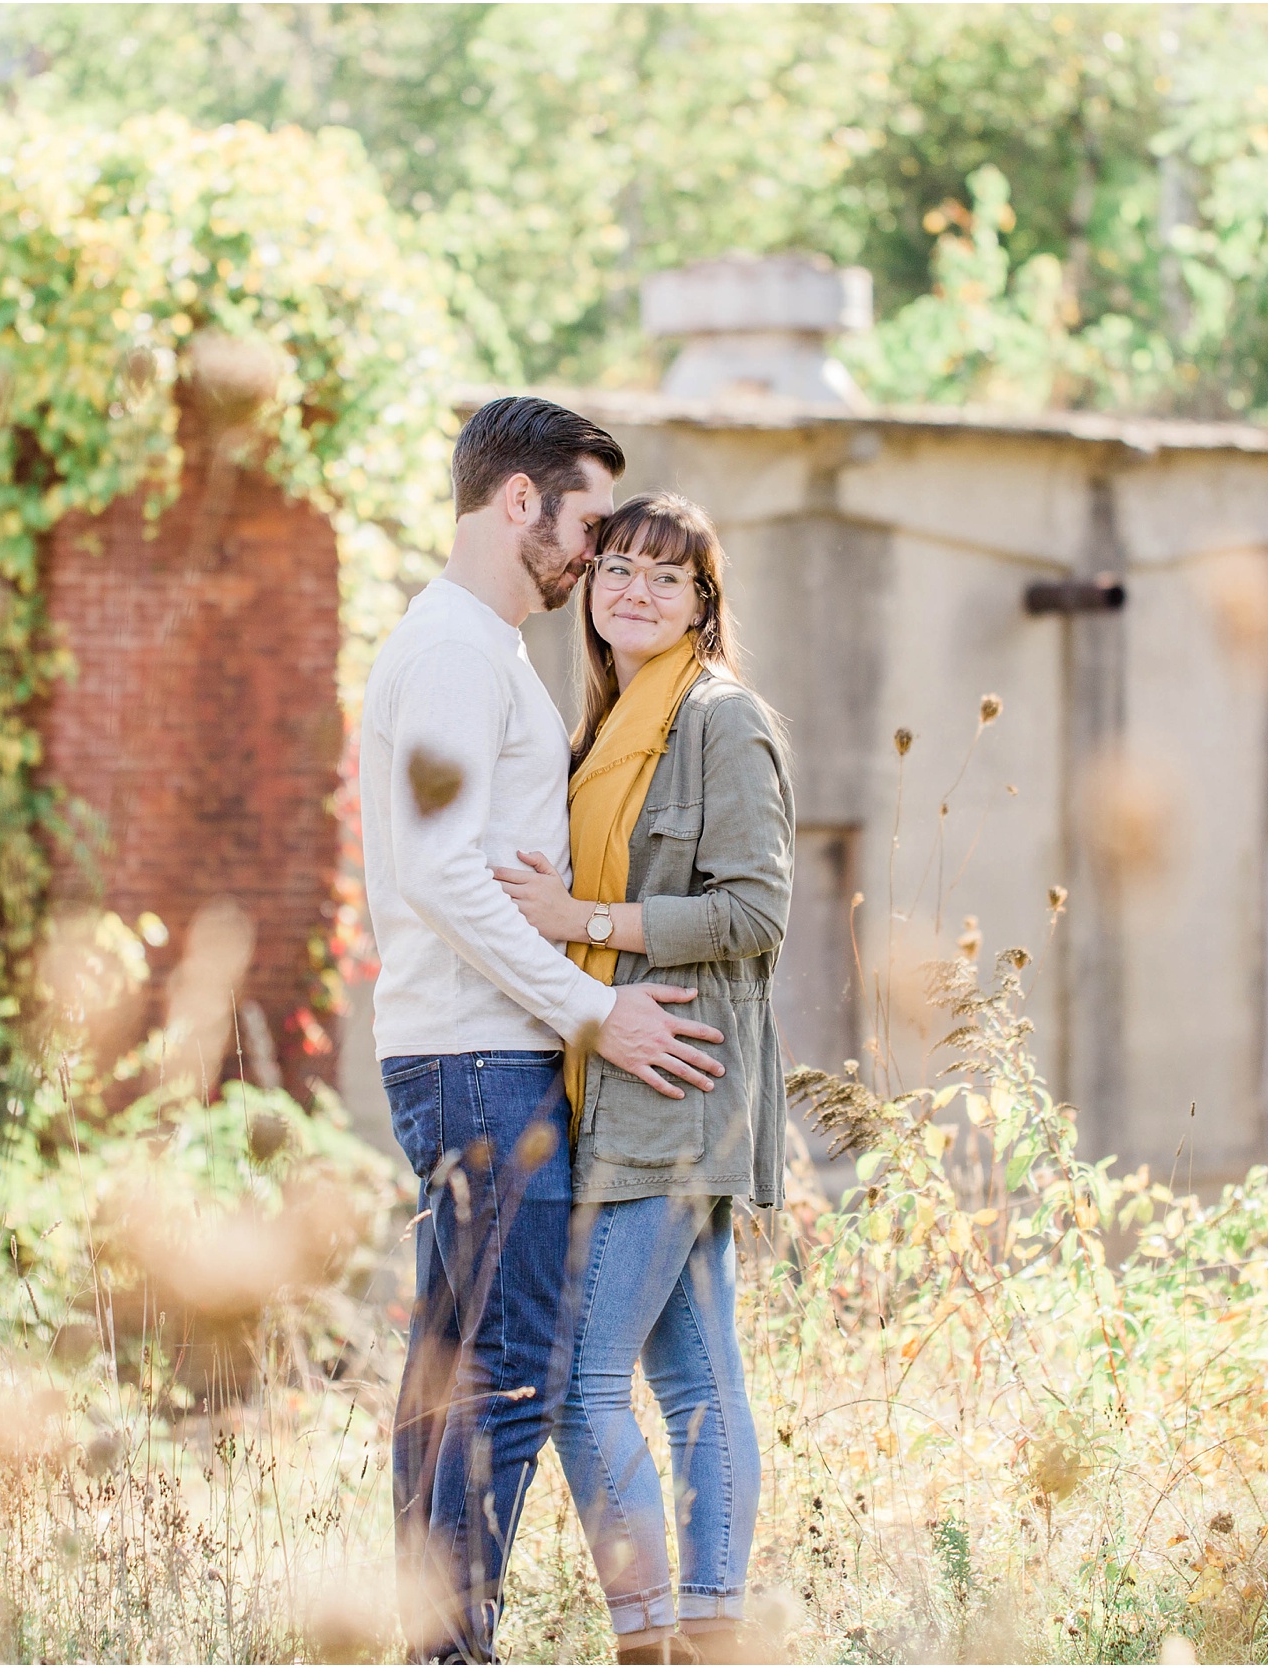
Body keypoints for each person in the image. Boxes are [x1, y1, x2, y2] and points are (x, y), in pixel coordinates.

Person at [360, 398, 729, 1664]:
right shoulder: (461, 653)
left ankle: (429, 1641)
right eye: (583, 525)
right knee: (512, 1369)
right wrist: (597, 1011)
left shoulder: (472, 649)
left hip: (467, 1054)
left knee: (450, 1371)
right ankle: (454, 1650)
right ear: (519, 505)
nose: (589, 556)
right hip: (480, 1062)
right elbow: (441, 873)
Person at [494, 492, 793, 1666]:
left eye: (665, 577)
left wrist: (590, 921)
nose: (631, 589)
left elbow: (758, 907)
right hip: (615, 1075)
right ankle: (710, 1634)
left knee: (579, 1383)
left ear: (703, 606)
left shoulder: (719, 720)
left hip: (678, 1074)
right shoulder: (610, 727)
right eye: (615, 566)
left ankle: (653, 1641)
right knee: (696, 1377)